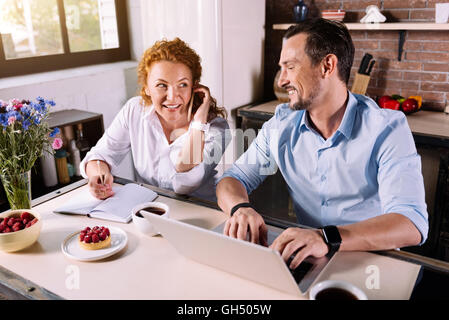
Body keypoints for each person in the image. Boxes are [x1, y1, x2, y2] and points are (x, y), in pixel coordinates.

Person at [216, 18, 428, 270]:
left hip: (370, 261)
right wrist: (240, 208)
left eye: (290, 67)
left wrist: (326, 237)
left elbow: (411, 222)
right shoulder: (281, 125)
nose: (282, 80)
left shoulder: (387, 129)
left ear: (327, 65)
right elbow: (233, 179)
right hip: (309, 257)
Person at [80, 38, 229, 202]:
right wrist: (99, 174)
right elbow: (100, 155)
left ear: (195, 86)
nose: (172, 97)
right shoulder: (134, 110)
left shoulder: (216, 128)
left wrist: (198, 123)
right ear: (146, 88)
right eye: (162, 85)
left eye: (182, 85)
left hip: (201, 213)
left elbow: (186, 184)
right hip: (149, 210)